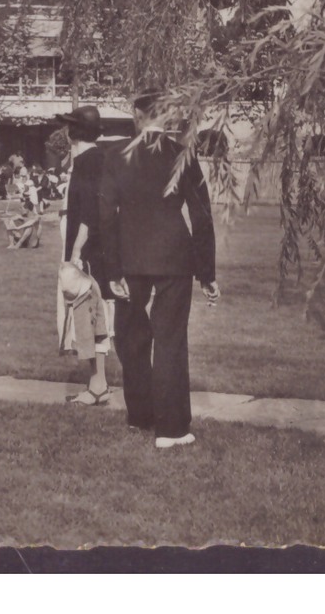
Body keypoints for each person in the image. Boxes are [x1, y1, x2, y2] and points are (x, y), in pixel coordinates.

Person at [98, 89, 219, 449]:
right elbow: (201, 215)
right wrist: (207, 272)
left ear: (137, 117)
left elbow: (106, 217)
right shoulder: (182, 154)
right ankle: (172, 429)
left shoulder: (115, 156)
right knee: (169, 339)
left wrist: (112, 271)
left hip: (131, 259)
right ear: (167, 118)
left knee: (131, 336)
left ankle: (140, 416)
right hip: (173, 258)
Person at [55, 105, 114, 407]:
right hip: (85, 247)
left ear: (72, 132)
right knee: (90, 313)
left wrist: (76, 252)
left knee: (89, 312)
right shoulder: (89, 159)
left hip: (86, 251)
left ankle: (98, 385)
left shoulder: (89, 162)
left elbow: (90, 210)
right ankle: (97, 382)